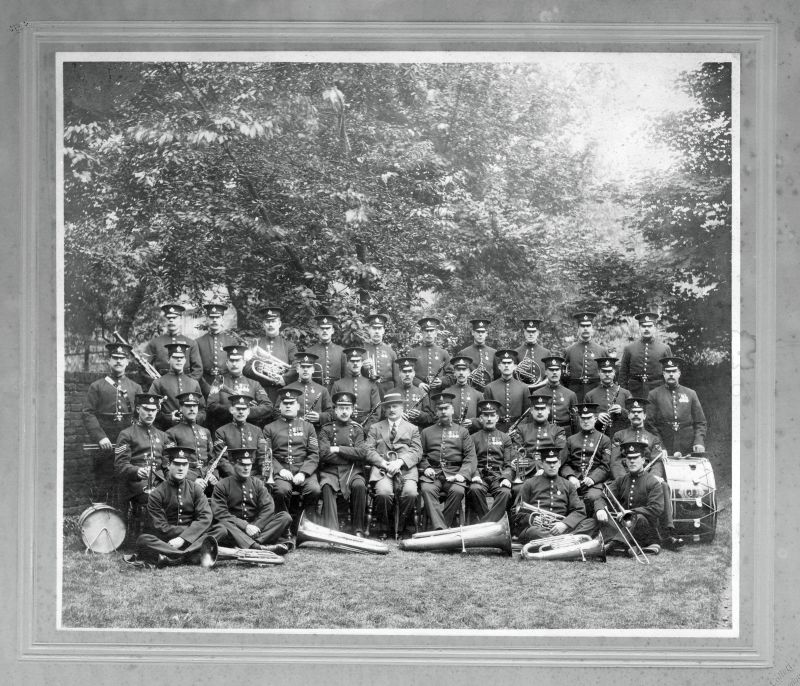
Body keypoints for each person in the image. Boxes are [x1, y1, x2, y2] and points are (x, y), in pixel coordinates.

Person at [132, 445, 226, 567]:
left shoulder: (195, 489)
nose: (181, 468)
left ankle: (177, 557)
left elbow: (205, 517)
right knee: (143, 540)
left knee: (221, 530)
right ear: (169, 465)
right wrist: (184, 535)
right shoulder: (157, 493)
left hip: (193, 538)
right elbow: (160, 526)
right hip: (169, 540)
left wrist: (183, 538)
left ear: (188, 467)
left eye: (184, 464)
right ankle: (191, 556)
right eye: (176, 464)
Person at [609, 397, 684, 550]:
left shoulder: (653, 438)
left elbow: (656, 462)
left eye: (639, 412)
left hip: (646, 477)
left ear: (644, 415)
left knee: (662, 484)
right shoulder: (619, 435)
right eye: (632, 412)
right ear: (628, 415)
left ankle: (668, 532)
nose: (636, 415)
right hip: (625, 477)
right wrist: (623, 478)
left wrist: (655, 475)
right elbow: (616, 461)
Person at [82, 342, 143, 498]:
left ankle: (124, 517)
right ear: (109, 361)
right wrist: (100, 437)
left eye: (122, 358)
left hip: (127, 441)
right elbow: (88, 413)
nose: (118, 361)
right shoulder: (97, 386)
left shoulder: (135, 388)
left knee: (126, 482)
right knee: (103, 480)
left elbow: (139, 415)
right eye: (115, 358)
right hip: (105, 441)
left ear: (128, 362)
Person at [211, 447, 294, 555]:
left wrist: (256, 527)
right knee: (223, 525)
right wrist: (245, 526)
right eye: (242, 464)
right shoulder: (222, 485)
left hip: (256, 530)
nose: (246, 468)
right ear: (233, 464)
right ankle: (258, 547)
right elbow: (221, 513)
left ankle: (250, 544)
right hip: (235, 529)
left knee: (285, 516)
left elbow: (268, 508)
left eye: (249, 464)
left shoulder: (257, 483)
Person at [364, 391, 422, 538]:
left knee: (410, 493)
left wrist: (400, 462)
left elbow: (417, 451)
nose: (391, 410)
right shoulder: (375, 428)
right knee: (383, 493)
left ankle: (401, 528)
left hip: (405, 470)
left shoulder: (412, 428)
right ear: (384, 409)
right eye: (388, 407)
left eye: (395, 406)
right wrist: (383, 463)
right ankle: (385, 527)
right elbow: (368, 450)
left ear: (402, 408)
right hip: (382, 470)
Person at [593, 441, 665, 557]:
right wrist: (600, 509)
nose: (632, 461)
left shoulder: (652, 482)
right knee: (604, 518)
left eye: (636, 458)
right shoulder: (621, 480)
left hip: (645, 527)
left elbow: (656, 509)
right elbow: (602, 497)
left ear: (643, 460)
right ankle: (631, 546)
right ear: (625, 461)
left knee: (637, 517)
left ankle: (613, 545)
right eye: (629, 458)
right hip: (625, 526)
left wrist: (632, 512)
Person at [262, 387, 321, 524]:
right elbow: (266, 454)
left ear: (298, 406)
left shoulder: (308, 427)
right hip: (280, 471)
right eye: (285, 403)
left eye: (291, 403)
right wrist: (280, 470)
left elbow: (313, 454)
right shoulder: (269, 428)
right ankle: (284, 525)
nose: (288, 406)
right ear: (280, 406)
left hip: (303, 470)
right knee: (281, 491)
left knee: (314, 490)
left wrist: (303, 473)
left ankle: (305, 523)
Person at [418, 392, 477, 530]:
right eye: (440, 409)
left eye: (446, 408)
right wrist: (426, 467)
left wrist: (462, 474)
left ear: (452, 410)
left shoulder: (462, 432)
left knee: (458, 491)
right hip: (434, 474)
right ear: (436, 412)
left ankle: (439, 527)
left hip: (455, 473)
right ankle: (442, 529)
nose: (443, 411)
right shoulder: (426, 432)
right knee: (427, 489)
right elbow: (419, 454)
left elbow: (470, 456)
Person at [512, 447, 594, 543]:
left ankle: (557, 542)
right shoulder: (529, 483)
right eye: (548, 462)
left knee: (591, 523)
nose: (552, 466)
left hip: (562, 528)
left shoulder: (568, 485)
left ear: (559, 463)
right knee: (532, 532)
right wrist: (531, 519)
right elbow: (515, 512)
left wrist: (565, 524)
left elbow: (580, 510)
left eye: (554, 462)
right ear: (542, 464)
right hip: (538, 529)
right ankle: (569, 541)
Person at [317, 391, 369, 535]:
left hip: (353, 471)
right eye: (341, 408)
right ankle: (332, 531)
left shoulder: (357, 429)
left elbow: (362, 453)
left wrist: (337, 448)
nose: (344, 412)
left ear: (352, 410)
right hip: (331, 471)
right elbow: (324, 454)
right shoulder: (326, 429)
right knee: (326, 486)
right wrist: (350, 454)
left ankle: (358, 528)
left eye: (347, 408)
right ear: (335, 409)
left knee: (359, 485)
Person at [114, 393, 169, 510]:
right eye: (146, 409)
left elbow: (166, 465)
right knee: (157, 498)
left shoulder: (162, 435)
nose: (150, 413)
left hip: (160, 482)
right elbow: (120, 465)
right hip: (136, 485)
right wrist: (137, 471)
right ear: (138, 409)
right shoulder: (127, 434)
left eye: (153, 410)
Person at [510, 392, 567, 503]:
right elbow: (517, 454)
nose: (540, 412)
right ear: (531, 411)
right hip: (526, 475)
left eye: (543, 408)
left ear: (549, 410)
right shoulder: (521, 430)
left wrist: (544, 468)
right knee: (518, 489)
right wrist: (537, 467)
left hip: (551, 473)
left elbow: (561, 454)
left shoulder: (558, 430)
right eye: (537, 409)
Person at [646, 357, 707, 456]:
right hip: (665, 444)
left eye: (674, 371)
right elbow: (649, 424)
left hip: (688, 444)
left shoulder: (691, 393)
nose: (671, 374)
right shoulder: (654, 394)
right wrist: (659, 446)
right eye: (668, 371)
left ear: (679, 373)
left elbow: (701, 422)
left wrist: (699, 442)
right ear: (664, 374)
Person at [465, 399, 514, 524]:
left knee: (505, 492)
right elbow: (470, 460)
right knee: (475, 489)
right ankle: (491, 525)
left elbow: (509, 463)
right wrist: (475, 475)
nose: (489, 419)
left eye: (492, 415)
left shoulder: (505, 438)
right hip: (480, 475)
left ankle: (485, 525)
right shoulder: (473, 437)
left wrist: (506, 478)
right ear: (480, 418)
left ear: (497, 418)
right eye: (486, 415)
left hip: (498, 476)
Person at [206, 343, 273, 430]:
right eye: (231, 360)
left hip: (249, 430)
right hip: (223, 429)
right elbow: (211, 406)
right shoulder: (219, 381)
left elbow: (268, 406)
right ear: (227, 363)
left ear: (244, 362)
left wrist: (246, 411)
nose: (234, 364)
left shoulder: (254, 383)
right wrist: (231, 410)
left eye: (238, 360)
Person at [560, 402, 612, 516]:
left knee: (592, 497)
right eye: (583, 418)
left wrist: (592, 479)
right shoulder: (571, 440)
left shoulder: (604, 440)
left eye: (589, 418)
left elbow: (605, 466)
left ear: (595, 419)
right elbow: (564, 463)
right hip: (573, 481)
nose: (586, 421)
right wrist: (571, 476)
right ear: (579, 419)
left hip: (594, 483)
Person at [244, 305, 298, 404]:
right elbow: (246, 368)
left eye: (273, 321)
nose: (270, 325)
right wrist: (260, 367)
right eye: (267, 322)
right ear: (263, 325)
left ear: (279, 324)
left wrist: (284, 378)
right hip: (259, 392)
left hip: (281, 393)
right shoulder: (256, 344)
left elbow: (296, 365)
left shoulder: (289, 346)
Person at [165, 392, 216, 494]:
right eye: (188, 406)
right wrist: (193, 479)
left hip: (207, 478)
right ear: (180, 408)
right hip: (186, 479)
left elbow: (212, 458)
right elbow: (168, 464)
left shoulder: (205, 431)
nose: (192, 409)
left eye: (194, 406)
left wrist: (213, 474)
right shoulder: (171, 433)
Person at [147, 341, 206, 430]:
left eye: (181, 357)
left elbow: (202, 410)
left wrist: (195, 419)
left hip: (190, 430)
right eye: (175, 357)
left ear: (185, 360)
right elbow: (150, 408)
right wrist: (168, 418)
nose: (179, 360)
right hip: (167, 430)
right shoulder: (158, 383)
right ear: (168, 359)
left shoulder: (193, 383)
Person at [618, 312, 672, 398]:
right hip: (634, 391)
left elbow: (670, 372)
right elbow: (623, 374)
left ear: (655, 328)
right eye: (643, 326)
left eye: (650, 326)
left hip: (657, 391)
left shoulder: (664, 348)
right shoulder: (629, 348)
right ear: (639, 328)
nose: (646, 329)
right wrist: (624, 394)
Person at [212, 393, 265, 480]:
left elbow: (262, 455)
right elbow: (222, 460)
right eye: (238, 409)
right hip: (231, 477)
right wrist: (237, 477)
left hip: (254, 476)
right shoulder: (221, 432)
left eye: (244, 409)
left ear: (248, 411)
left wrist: (264, 474)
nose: (241, 412)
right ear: (231, 410)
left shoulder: (257, 431)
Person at [143, 303, 203, 379]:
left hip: (185, 385)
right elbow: (144, 367)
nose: (171, 320)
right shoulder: (155, 343)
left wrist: (188, 385)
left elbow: (198, 370)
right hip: (161, 383)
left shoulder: (191, 343)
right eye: (168, 318)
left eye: (174, 318)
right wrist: (156, 385)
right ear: (164, 320)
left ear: (180, 320)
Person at [330, 347, 382, 433]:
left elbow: (377, 411)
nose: (355, 364)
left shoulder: (371, 384)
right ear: (347, 363)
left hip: (367, 428)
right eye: (352, 361)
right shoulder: (338, 384)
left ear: (362, 363)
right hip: (343, 427)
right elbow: (332, 409)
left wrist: (366, 428)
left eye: (358, 361)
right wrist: (346, 425)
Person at [195, 303, 239, 397]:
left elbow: (236, 367)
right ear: (207, 319)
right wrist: (205, 387)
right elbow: (196, 368)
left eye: (218, 317)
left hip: (227, 384)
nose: (214, 320)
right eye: (211, 317)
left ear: (222, 319)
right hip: (205, 384)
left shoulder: (231, 341)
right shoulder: (198, 342)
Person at [563, 312, 608, 402]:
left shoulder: (601, 350)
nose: (585, 328)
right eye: (582, 326)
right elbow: (562, 376)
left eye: (588, 326)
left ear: (592, 328)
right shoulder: (569, 350)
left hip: (596, 393)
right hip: (575, 393)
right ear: (578, 328)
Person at [482, 349, 530, 433]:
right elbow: (486, 413)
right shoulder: (490, 387)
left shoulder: (524, 387)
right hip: (496, 430)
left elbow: (527, 414)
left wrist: (519, 429)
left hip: (518, 430)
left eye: (509, 363)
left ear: (515, 366)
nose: (506, 366)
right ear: (499, 366)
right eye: (504, 363)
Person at [584, 357, 632, 437]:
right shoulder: (590, 395)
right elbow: (584, 417)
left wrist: (622, 411)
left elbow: (634, 415)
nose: (607, 374)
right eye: (604, 371)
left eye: (610, 371)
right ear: (599, 372)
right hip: (598, 436)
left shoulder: (625, 393)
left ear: (614, 372)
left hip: (621, 437)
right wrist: (596, 416)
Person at [285, 352, 333, 430]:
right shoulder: (288, 389)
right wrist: (294, 421)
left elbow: (331, 412)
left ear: (313, 370)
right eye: (303, 367)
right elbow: (277, 412)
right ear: (297, 369)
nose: (306, 370)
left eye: (308, 367)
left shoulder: (322, 390)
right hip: (293, 432)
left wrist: (320, 417)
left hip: (316, 432)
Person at [407, 317, 452, 394]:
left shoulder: (444, 353)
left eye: (431, 331)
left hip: (438, 394)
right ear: (422, 332)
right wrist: (419, 383)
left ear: (436, 332)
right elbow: (406, 373)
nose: (429, 333)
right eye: (426, 331)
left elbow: (451, 375)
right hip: (418, 393)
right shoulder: (413, 353)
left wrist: (441, 381)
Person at [387, 356, 434, 428]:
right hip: (396, 431)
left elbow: (430, 417)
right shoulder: (390, 393)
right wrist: (396, 415)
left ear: (414, 373)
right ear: (399, 373)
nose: (407, 374)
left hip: (416, 432)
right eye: (404, 371)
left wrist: (420, 415)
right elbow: (384, 415)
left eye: (410, 371)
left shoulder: (422, 393)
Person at [537, 355, 579, 434]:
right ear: (545, 371)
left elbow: (576, 422)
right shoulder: (538, 393)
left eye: (557, 369)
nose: (554, 372)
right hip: (544, 433)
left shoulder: (570, 394)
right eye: (551, 370)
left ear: (561, 371)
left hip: (565, 434)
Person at [442, 355, 483, 431]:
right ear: (454, 372)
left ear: (469, 372)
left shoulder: (478, 394)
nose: (461, 373)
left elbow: (484, 417)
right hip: (451, 433)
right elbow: (438, 416)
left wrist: (473, 422)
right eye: (458, 370)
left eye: (464, 370)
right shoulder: (446, 392)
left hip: (471, 435)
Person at [305, 314, 346, 390]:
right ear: (317, 330)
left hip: (335, 391)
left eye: (327, 328)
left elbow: (344, 377)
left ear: (332, 330)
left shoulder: (341, 351)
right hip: (316, 390)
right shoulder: (309, 351)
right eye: (322, 328)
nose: (325, 331)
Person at [360, 313, 398, 396]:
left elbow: (397, 378)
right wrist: (363, 368)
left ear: (383, 330)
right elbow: (355, 375)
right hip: (368, 391)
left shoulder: (391, 352)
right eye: (374, 328)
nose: (377, 331)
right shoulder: (362, 351)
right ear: (369, 330)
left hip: (387, 391)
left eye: (379, 328)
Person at [456, 317, 497, 386]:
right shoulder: (464, 353)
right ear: (473, 333)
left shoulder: (493, 353)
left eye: (483, 332)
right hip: (470, 392)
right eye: (478, 332)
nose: (480, 334)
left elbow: (497, 375)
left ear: (486, 333)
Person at [514, 316, 550, 386]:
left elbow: (549, 375)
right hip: (522, 391)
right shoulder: (516, 352)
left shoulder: (546, 353)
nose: (531, 334)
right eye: (528, 331)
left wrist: (539, 385)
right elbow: (513, 376)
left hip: (540, 390)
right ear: (524, 332)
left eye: (533, 331)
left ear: (538, 332)